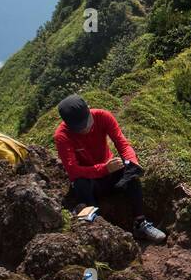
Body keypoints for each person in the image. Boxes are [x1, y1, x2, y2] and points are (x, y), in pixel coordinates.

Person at [53, 94, 166, 242]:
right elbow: (73, 170)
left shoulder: (103, 116)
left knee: (131, 173)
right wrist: (103, 169)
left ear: (89, 110)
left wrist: (132, 161)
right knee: (80, 183)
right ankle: (99, 229)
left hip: (111, 173)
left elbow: (122, 144)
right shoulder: (62, 136)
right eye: (79, 128)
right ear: (67, 124)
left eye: (86, 123)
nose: (85, 129)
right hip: (91, 181)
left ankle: (140, 223)